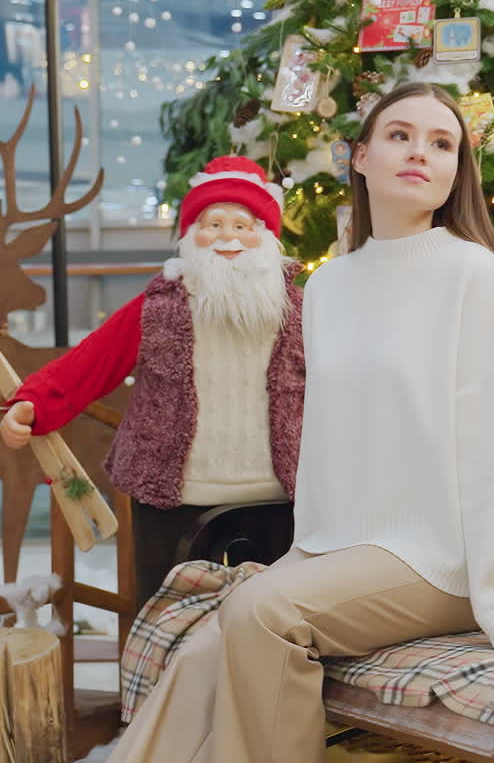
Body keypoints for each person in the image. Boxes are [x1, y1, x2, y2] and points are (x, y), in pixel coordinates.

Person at [0, 81, 494, 763]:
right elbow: (328, 445)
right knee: (214, 643)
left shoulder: (468, 271)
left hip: (441, 557)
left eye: (444, 144)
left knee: (258, 614)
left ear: (458, 170)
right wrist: (302, 557)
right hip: (347, 552)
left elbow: (492, 442)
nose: (423, 152)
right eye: (401, 135)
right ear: (360, 157)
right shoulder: (331, 288)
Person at [0, 155, 305, 606]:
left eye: (243, 226)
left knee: (276, 617)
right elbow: (91, 362)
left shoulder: (300, 311)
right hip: (173, 497)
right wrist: (34, 403)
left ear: (266, 238)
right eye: (213, 223)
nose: (227, 238)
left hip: (279, 499)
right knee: (165, 615)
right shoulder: (158, 308)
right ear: (189, 237)